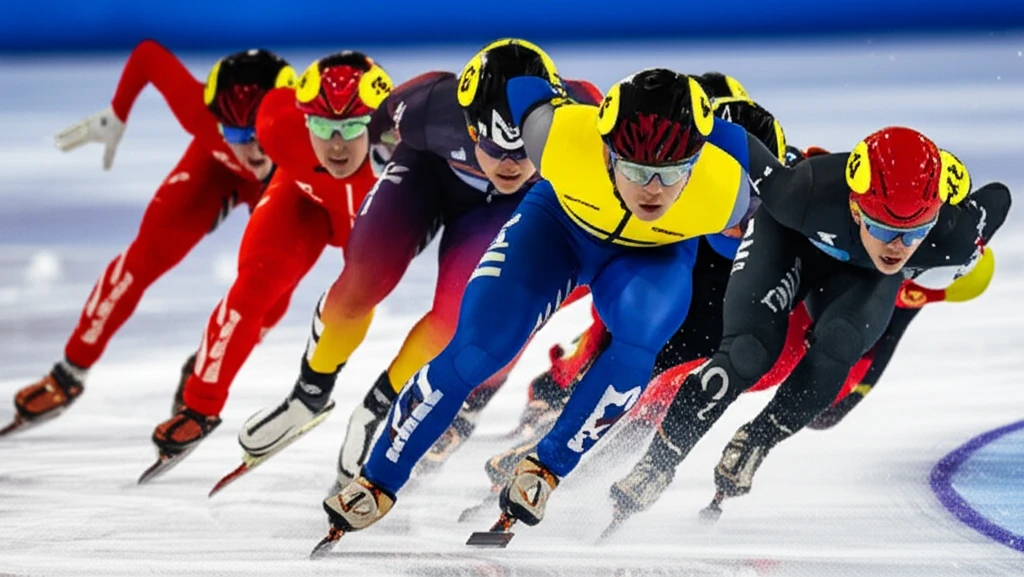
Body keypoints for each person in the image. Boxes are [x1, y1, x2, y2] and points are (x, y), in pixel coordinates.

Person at [314, 62, 782, 552]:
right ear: (605, 151)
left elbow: (774, 218)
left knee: (639, 345)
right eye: (638, 170)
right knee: (476, 349)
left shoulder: (727, 191)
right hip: (558, 231)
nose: (653, 190)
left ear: (699, 158)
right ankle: (378, 478)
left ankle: (547, 466)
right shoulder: (558, 137)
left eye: (671, 174)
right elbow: (519, 81)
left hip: (656, 255)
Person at [233, 39, 601, 490]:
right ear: (470, 128)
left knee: (457, 315)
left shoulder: (582, 121)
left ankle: (379, 407)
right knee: (363, 279)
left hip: (500, 210)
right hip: (428, 174)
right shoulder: (426, 105)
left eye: (523, 150)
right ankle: (309, 393)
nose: (508, 163)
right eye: (495, 147)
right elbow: (367, 139)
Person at [616, 126, 1011, 524]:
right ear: (856, 208)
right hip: (789, 239)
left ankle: (757, 440)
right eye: (882, 228)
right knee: (746, 352)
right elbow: (736, 139)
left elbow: (999, 198)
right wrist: (687, 119)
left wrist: (956, 184)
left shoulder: (954, 236)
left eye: (915, 233)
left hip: (861, 277)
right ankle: (658, 461)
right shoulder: (800, 191)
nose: (897, 247)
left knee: (842, 342)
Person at [3, 40, 293, 436]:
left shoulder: (310, 133)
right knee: (144, 257)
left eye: (258, 132)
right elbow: (147, 56)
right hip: (212, 169)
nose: (252, 151)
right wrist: (117, 114)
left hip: (285, 184)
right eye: (236, 134)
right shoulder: (198, 114)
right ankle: (69, 372)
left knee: (271, 287)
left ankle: (205, 369)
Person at [141, 52, 393, 478]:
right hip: (305, 202)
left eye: (351, 127)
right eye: (322, 125)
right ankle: (201, 404)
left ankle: (311, 394)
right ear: (303, 118)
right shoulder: (276, 123)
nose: (335, 144)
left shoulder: (409, 144)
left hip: (377, 218)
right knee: (256, 285)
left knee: (356, 293)